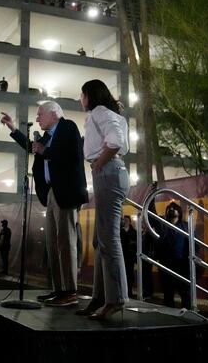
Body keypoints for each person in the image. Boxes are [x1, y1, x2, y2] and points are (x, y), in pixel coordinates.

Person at [1, 100, 88, 307]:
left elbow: (71, 155)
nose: (37, 118)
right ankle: (58, 290)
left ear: (54, 114)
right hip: (50, 193)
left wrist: (43, 151)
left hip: (65, 192)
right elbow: (34, 148)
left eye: (40, 114)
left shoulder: (68, 127)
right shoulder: (48, 136)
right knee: (52, 243)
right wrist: (13, 129)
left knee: (65, 241)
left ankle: (70, 291)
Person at [75, 79, 129, 320]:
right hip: (112, 172)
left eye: (82, 94)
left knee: (109, 239)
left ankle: (115, 299)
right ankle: (100, 296)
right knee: (100, 240)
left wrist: (98, 163)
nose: (80, 99)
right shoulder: (111, 113)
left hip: (107, 171)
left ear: (90, 96)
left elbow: (116, 142)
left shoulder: (99, 112)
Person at [155, 202, 191, 309]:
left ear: (179, 212)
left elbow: (194, 243)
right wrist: (152, 194)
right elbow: (151, 213)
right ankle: (168, 318)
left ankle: (188, 316)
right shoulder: (162, 224)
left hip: (182, 265)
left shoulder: (185, 226)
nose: (171, 209)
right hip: (166, 265)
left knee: (185, 294)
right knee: (168, 294)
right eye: (169, 208)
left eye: (174, 208)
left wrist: (193, 258)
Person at [120, 215, 137, 298]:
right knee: (122, 273)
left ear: (130, 222)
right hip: (122, 256)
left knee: (130, 274)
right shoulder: (120, 231)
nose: (125, 221)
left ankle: (129, 291)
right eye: (124, 220)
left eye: (127, 220)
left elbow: (136, 244)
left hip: (130, 256)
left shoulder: (134, 232)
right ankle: (123, 291)